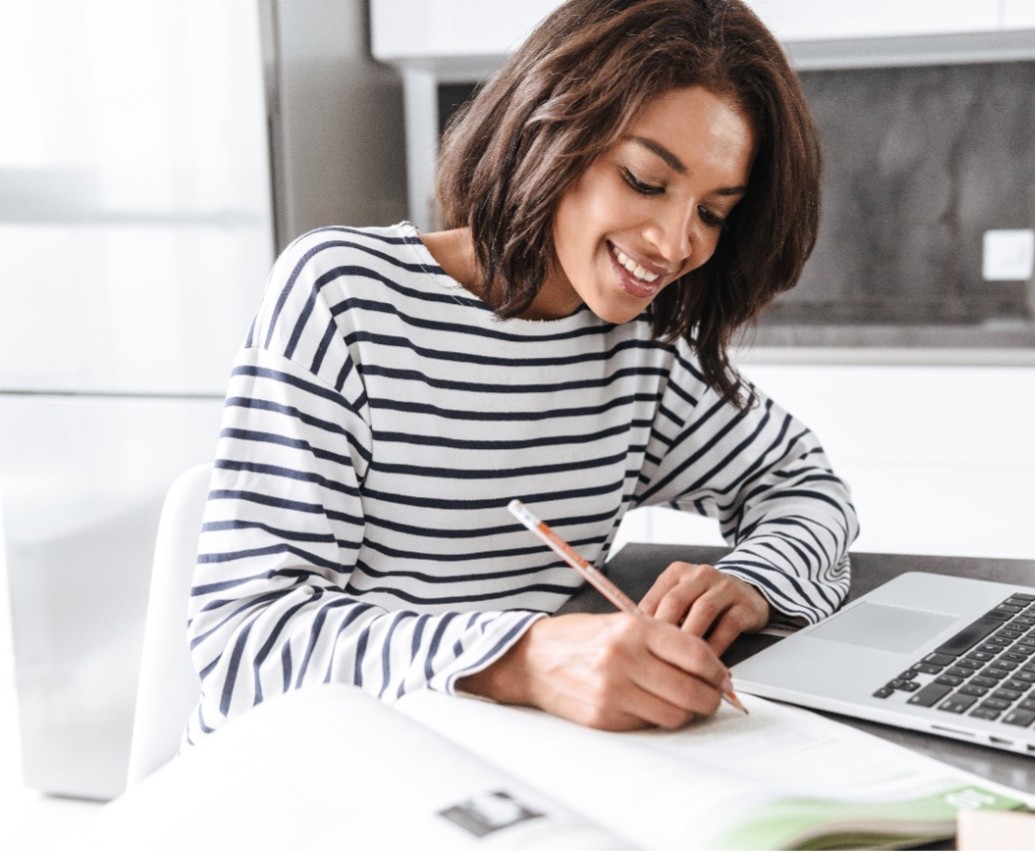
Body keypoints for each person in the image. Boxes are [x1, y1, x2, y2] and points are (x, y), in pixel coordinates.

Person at [184, 0, 857, 746]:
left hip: (497, 770)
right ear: (553, 130)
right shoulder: (345, 297)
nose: (674, 243)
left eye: (714, 212)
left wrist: (752, 581)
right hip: (310, 775)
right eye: (644, 180)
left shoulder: (639, 350)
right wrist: (520, 658)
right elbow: (243, 644)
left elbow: (804, 484)